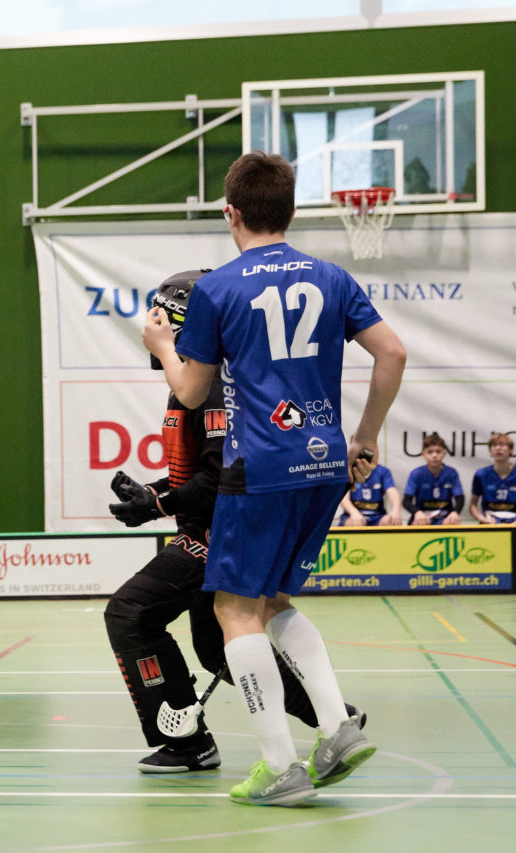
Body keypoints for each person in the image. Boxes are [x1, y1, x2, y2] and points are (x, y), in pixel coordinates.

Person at [142, 150, 406, 806]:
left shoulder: (219, 289)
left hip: (258, 467)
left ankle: (279, 765)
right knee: (276, 602)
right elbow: (393, 352)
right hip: (324, 466)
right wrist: (366, 434)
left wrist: (161, 346)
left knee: (233, 609)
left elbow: (194, 390)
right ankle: (338, 728)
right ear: (288, 210)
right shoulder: (332, 277)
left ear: (230, 212)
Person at [105, 270, 362, 775]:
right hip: (212, 525)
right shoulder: (195, 384)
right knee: (214, 645)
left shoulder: (210, 388)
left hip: (220, 533)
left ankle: (188, 745)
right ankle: (336, 718)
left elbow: (221, 477)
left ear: (180, 324)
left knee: (131, 613)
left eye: (160, 316)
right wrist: (154, 495)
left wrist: (160, 505)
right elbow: (204, 471)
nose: (149, 326)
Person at [403, 433, 464, 525]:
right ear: (423, 454)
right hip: (423, 518)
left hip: (445, 518)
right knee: (418, 523)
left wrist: (455, 513)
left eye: (438, 451)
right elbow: (406, 500)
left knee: (454, 522)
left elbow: (460, 498)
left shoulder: (451, 473)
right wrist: (417, 513)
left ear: (444, 453)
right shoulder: (417, 473)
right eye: (430, 452)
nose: (434, 455)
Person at [469, 432, 516, 524]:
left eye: (502, 445)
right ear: (490, 451)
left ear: (510, 450)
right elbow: (472, 505)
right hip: (490, 522)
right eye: (494, 445)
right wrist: (483, 519)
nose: (498, 448)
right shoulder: (481, 474)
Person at [335, 463, 402, 526]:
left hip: (377, 516)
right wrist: (353, 513)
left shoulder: (382, 471)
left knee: (391, 521)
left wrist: (395, 511)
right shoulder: (349, 470)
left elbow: (392, 491)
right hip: (351, 515)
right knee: (354, 523)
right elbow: (343, 497)